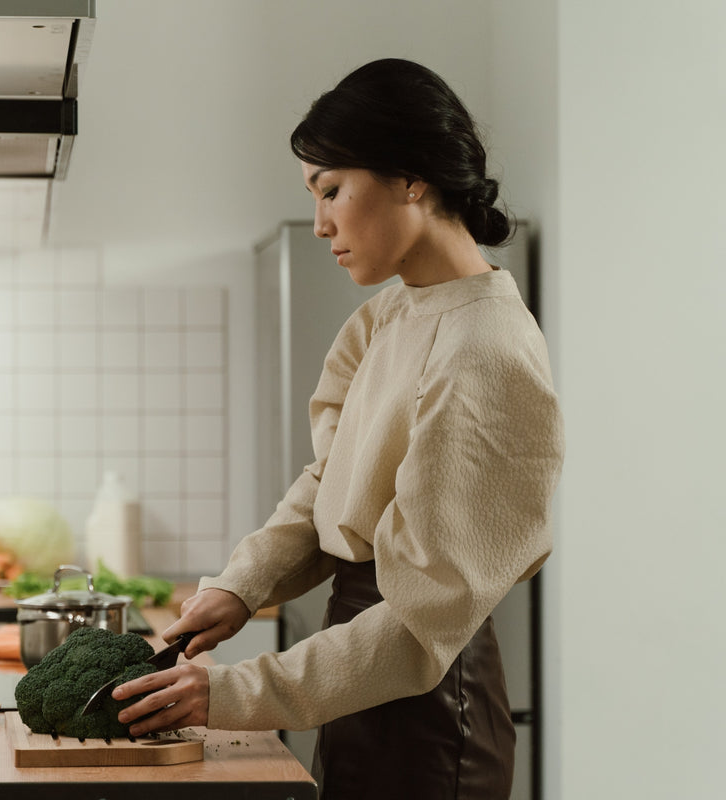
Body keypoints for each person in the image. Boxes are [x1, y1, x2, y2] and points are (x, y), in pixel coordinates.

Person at [112, 58, 565, 799]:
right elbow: (334, 480)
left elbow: (421, 629)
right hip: (354, 681)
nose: (322, 223)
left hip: (427, 703)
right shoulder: (391, 314)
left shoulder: (485, 349)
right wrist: (241, 585)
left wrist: (228, 693)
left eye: (332, 190)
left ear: (412, 177)